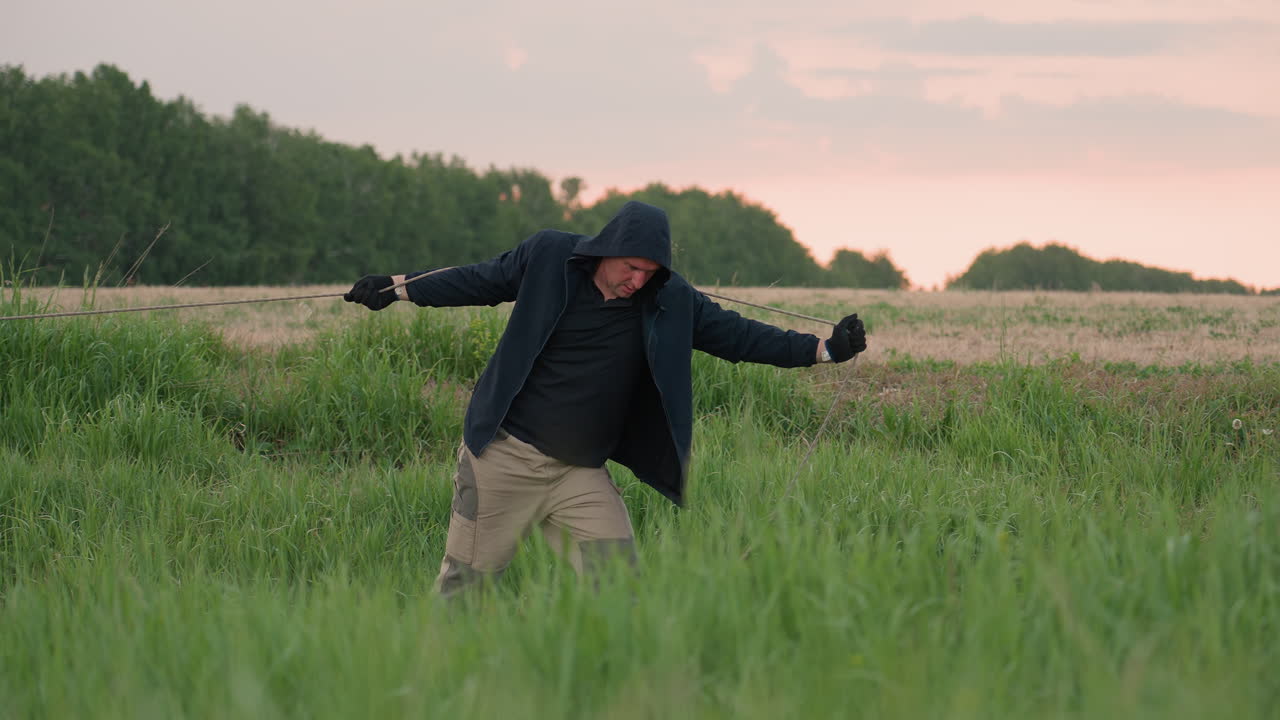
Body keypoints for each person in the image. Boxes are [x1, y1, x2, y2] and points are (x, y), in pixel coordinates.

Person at [344, 200, 866, 596]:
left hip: (579, 476)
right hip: (503, 460)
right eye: (630, 268)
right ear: (606, 250)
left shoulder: (669, 299)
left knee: (621, 593)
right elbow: (481, 279)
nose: (638, 282)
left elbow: (740, 336)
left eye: (650, 273)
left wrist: (824, 349)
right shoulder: (549, 256)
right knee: (463, 591)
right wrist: (397, 287)